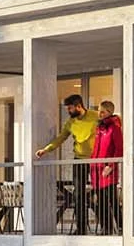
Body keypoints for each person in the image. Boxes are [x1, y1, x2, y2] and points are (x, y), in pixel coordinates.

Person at [33, 94, 98, 231]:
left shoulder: (95, 116)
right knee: (78, 194)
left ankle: (109, 226)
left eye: (70, 108)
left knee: (101, 192)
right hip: (79, 160)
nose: (68, 111)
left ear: (79, 106)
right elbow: (61, 138)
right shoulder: (70, 123)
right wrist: (45, 150)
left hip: (97, 160)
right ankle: (81, 229)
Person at [89, 100, 124, 234]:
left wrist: (110, 166)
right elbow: (96, 149)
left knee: (112, 201)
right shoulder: (99, 129)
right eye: (99, 110)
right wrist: (91, 165)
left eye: (102, 111)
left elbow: (119, 149)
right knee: (101, 202)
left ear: (109, 112)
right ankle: (106, 227)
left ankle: (120, 227)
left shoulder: (114, 128)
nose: (100, 113)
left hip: (108, 172)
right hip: (97, 171)